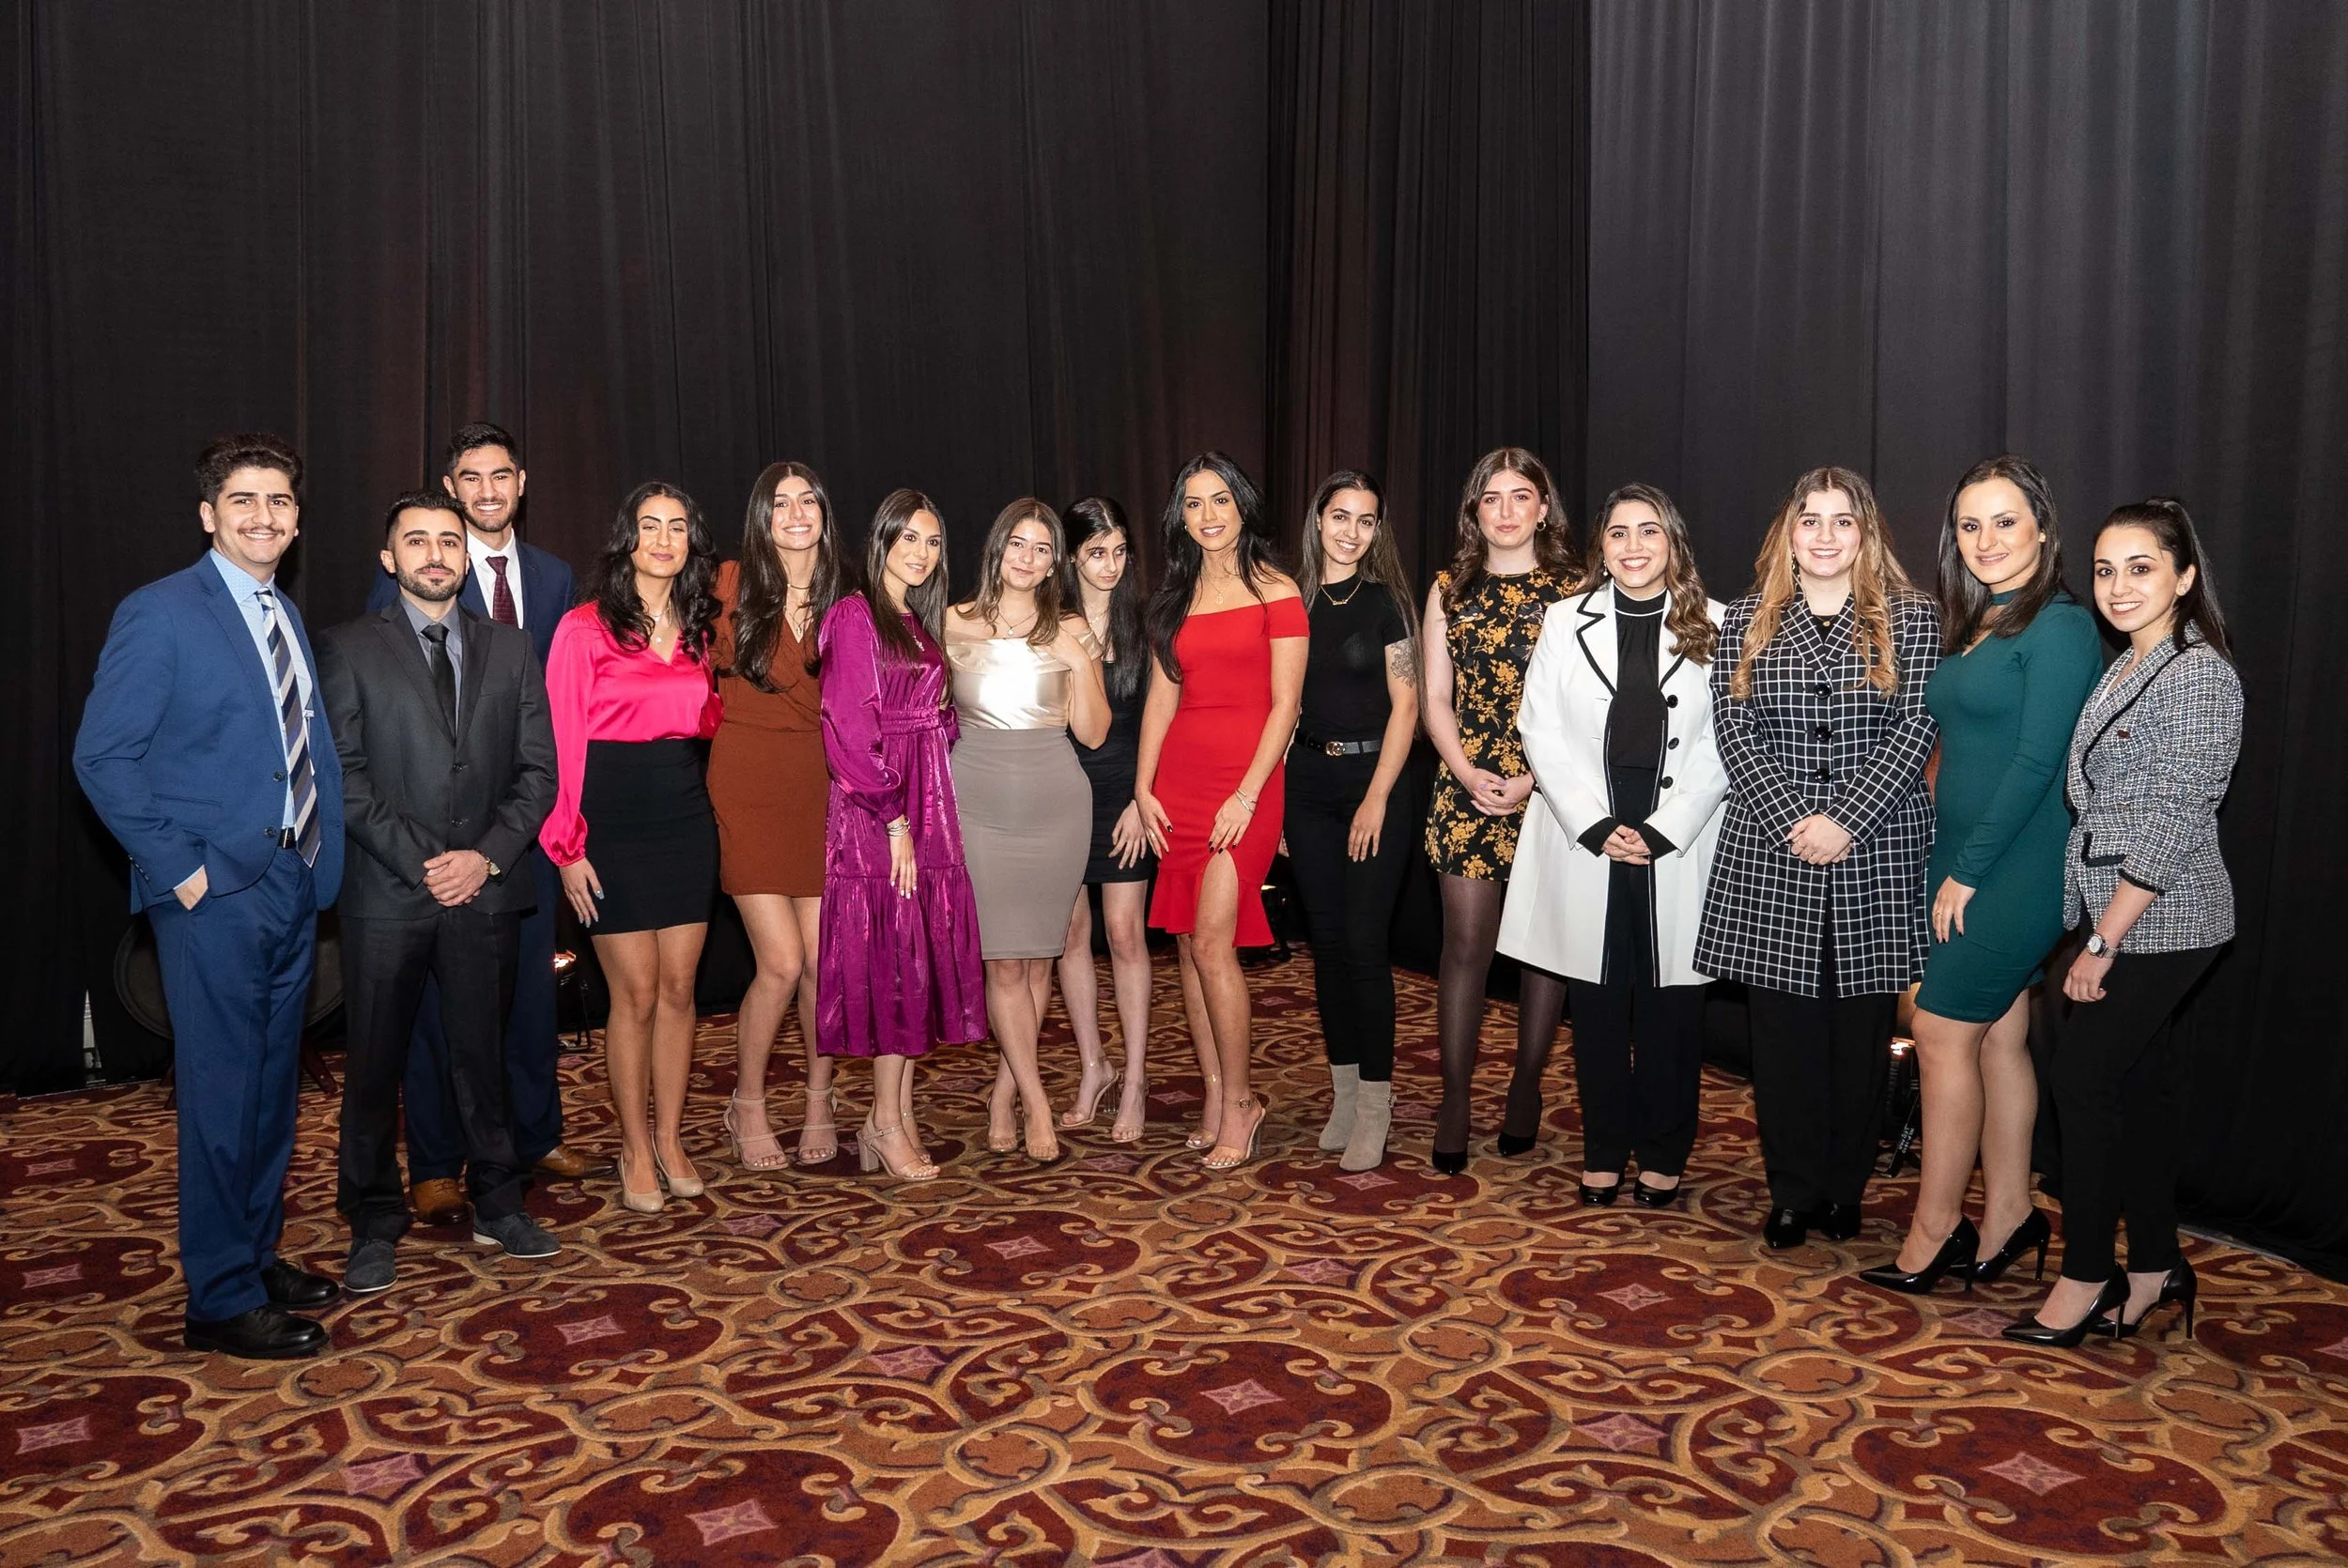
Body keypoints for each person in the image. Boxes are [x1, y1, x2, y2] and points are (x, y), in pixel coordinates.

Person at [74, 434, 346, 1359]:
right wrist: (179, 869)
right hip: (215, 895)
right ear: (208, 513)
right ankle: (220, 1296)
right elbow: (101, 756)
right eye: (244, 500)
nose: (263, 515)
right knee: (223, 1095)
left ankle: (255, 1253)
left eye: (279, 502)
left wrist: (317, 861)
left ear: (296, 519)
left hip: (292, 881)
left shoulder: (282, 610)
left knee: (272, 1093)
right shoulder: (160, 612)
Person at [1859, 457, 2099, 1295]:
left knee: (1938, 1030)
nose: (1987, 540)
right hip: (1959, 857)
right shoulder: (1976, 621)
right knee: (1998, 1035)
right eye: (1970, 524)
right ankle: (2009, 1213)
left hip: (2016, 865)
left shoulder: (2060, 628)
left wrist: (1966, 872)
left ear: (2042, 527)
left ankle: (1936, 1231)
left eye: (2004, 521)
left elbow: (2038, 764)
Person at [2007, 500, 2242, 1348]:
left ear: (2183, 577)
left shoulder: (2201, 675)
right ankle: (2152, 1265)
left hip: (2164, 918)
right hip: (2120, 909)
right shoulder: (2131, 663)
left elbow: (2175, 820)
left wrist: (2103, 942)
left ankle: (2085, 1274)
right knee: (2138, 1092)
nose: (2119, 586)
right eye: (2105, 570)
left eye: (2140, 568)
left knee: (2085, 1082)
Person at [318, 490, 563, 1293]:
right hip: (388, 892)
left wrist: (483, 859)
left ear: (468, 557)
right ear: (389, 560)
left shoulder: (513, 648)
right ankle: (372, 1220)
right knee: (375, 1070)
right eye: (415, 542)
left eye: (448, 542)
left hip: (486, 891)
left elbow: (538, 773)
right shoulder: (349, 647)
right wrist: (434, 861)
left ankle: (500, 1201)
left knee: (482, 1058)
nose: (434, 555)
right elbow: (344, 780)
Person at [1695, 467, 1940, 1251]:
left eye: (1843, 521)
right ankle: (1793, 1191)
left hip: (1876, 856)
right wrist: (1797, 819)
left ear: (1865, 535)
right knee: (1786, 1041)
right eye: (1811, 520)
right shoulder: (1745, 620)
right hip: (1774, 852)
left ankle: (1845, 1189)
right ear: (1788, 535)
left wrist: (1846, 822)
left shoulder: (1913, 619)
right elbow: (1735, 734)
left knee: (1860, 1041)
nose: (1826, 535)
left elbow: (1914, 733)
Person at [366, 422, 601, 1230]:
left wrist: (555, 820)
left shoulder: (554, 574)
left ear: (522, 483)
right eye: (471, 478)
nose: (487, 491)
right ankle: (436, 1163)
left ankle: (533, 1134)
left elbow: (564, 704)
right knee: (439, 1011)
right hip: (440, 839)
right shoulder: (423, 568)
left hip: (527, 826)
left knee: (530, 997)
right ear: (451, 487)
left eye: (501, 476)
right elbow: (387, 702)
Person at [1500, 484, 1728, 1206]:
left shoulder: (1718, 624)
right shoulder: (1564, 621)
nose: (1633, 547)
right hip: (1588, 835)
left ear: (1673, 544)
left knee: (1670, 1007)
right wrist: (1594, 825)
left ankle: (1663, 1150)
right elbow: (1539, 728)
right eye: (1619, 533)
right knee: (1596, 1004)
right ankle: (1603, 1147)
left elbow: (1730, 740)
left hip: (1676, 837)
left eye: (1649, 532)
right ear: (1601, 545)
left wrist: (1665, 828)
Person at [542, 483, 723, 1215]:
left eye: (677, 527)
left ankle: (672, 1138)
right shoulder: (583, 628)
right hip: (608, 821)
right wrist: (566, 845)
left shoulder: (703, 629)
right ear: (627, 539)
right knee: (637, 993)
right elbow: (559, 740)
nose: (663, 539)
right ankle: (634, 1146)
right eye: (649, 526)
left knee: (681, 991)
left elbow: (711, 722)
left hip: (683, 812)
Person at [1132, 453, 1308, 1171]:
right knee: (1185, 943)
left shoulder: (1276, 590)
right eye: (1195, 504)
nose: (1209, 516)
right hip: (1178, 784)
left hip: (1249, 786)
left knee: (1213, 943)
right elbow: (1161, 698)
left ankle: (1242, 1102)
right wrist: (1142, 789)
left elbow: (1286, 704)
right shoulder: (1173, 599)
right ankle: (1213, 1094)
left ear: (1243, 509)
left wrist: (1247, 791)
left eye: (1221, 502)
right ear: (1182, 517)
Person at [814, 488, 988, 1181]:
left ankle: (896, 1112)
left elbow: (928, 716)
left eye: (933, 541)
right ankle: (884, 1121)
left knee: (917, 958)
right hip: (880, 814)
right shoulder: (854, 617)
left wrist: (942, 722)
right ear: (881, 539)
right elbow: (847, 733)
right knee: (895, 963)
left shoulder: (912, 619)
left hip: (928, 802)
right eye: (909, 538)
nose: (921, 552)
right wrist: (894, 820)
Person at [1423, 447, 1578, 1175]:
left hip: (1550, 792)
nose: (1508, 510)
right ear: (1474, 511)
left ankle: (1525, 1086)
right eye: (1493, 498)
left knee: (1544, 950)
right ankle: (1455, 1099)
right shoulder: (1449, 589)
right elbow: (1434, 697)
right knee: (1465, 950)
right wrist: (1465, 771)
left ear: (1544, 508)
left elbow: (1588, 707)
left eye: (1522, 496)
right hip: (1465, 784)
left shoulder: (1576, 591)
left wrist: (1531, 780)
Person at [947, 500, 1110, 1164]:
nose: (1029, 557)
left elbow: (1095, 732)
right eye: (1019, 543)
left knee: (1040, 957)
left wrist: (1079, 655)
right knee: (1003, 959)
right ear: (997, 547)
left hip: (1057, 801)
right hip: (976, 799)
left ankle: (1004, 1091)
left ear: (1053, 565)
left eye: (1043, 549)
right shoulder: (952, 620)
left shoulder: (1068, 627)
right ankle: (1037, 1101)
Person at [710, 461, 849, 1169]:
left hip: (825, 789)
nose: (796, 512)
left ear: (824, 512)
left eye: (808, 500)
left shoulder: (847, 599)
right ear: (762, 516)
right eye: (780, 502)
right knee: (782, 961)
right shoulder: (726, 585)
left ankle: (821, 1099)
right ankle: (749, 1103)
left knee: (826, 965)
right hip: (746, 782)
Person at [1288, 471, 1420, 1171]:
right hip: (1307, 785)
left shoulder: (1385, 604)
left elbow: (1407, 707)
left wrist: (1375, 796)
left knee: (1366, 946)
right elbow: (1279, 704)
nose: (1351, 531)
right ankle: (1343, 1091)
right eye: (1340, 516)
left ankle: (1376, 1104)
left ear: (1377, 532)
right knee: (1328, 945)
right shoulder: (1290, 601)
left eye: (1366, 521)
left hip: (1378, 786)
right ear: (1317, 520)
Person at [1056, 497, 1156, 1144]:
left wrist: (1141, 800)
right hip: (1060, 791)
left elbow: (1162, 719)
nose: (1110, 565)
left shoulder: (1145, 623)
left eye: (1120, 551)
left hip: (1128, 791)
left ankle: (1139, 1078)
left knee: (1123, 933)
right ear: (1071, 556)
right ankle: (1095, 1066)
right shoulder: (1051, 621)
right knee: (1067, 936)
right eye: (1096, 552)